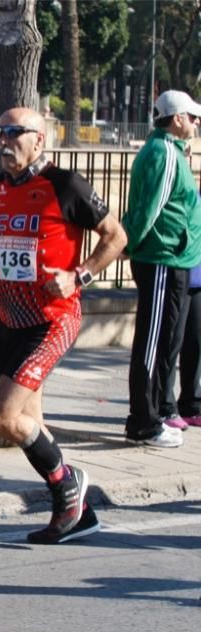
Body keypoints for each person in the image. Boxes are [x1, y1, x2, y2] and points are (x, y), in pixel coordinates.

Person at [0, 107, 126, 544]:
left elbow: (116, 237)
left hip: (53, 319)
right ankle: (77, 513)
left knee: (0, 415)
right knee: (29, 423)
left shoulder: (66, 185)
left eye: (15, 132)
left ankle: (69, 484)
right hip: (10, 319)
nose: (4, 140)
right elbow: (2, 250)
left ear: (39, 140)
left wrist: (78, 274)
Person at [122, 90, 201, 448]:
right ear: (177, 118)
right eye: (192, 116)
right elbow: (151, 208)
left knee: (163, 340)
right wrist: (130, 242)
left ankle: (153, 414)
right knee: (153, 344)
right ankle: (144, 420)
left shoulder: (167, 150)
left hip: (170, 258)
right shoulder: (164, 152)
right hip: (161, 258)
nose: (197, 122)